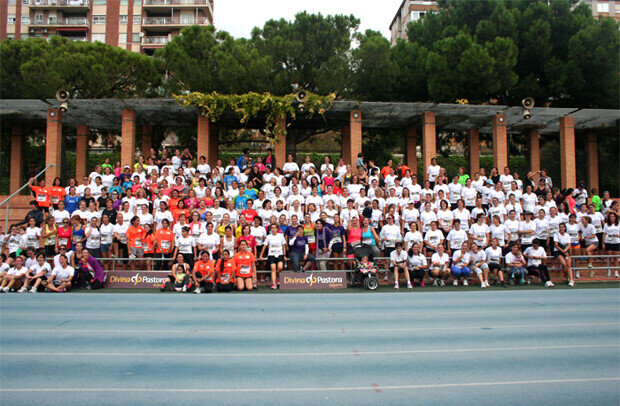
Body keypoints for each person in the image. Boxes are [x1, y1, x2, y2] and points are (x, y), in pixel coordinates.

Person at [261, 224, 286, 290]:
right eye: (272, 228)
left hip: (280, 254)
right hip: (271, 254)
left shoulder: (281, 236)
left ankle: (276, 277)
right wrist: (261, 255)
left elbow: (283, 246)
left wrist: (284, 255)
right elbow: (264, 246)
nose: (273, 229)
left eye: (275, 228)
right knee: (273, 269)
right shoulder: (269, 237)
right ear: (270, 229)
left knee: (280, 268)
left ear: (277, 229)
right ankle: (274, 283)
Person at [602, 212, 620, 278]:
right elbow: (604, 234)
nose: (612, 218)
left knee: (616, 257)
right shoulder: (606, 225)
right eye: (611, 217)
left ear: (615, 217)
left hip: (616, 241)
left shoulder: (618, 224)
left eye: (613, 217)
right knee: (609, 256)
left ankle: (616, 271)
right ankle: (608, 270)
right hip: (608, 241)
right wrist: (603, 243)